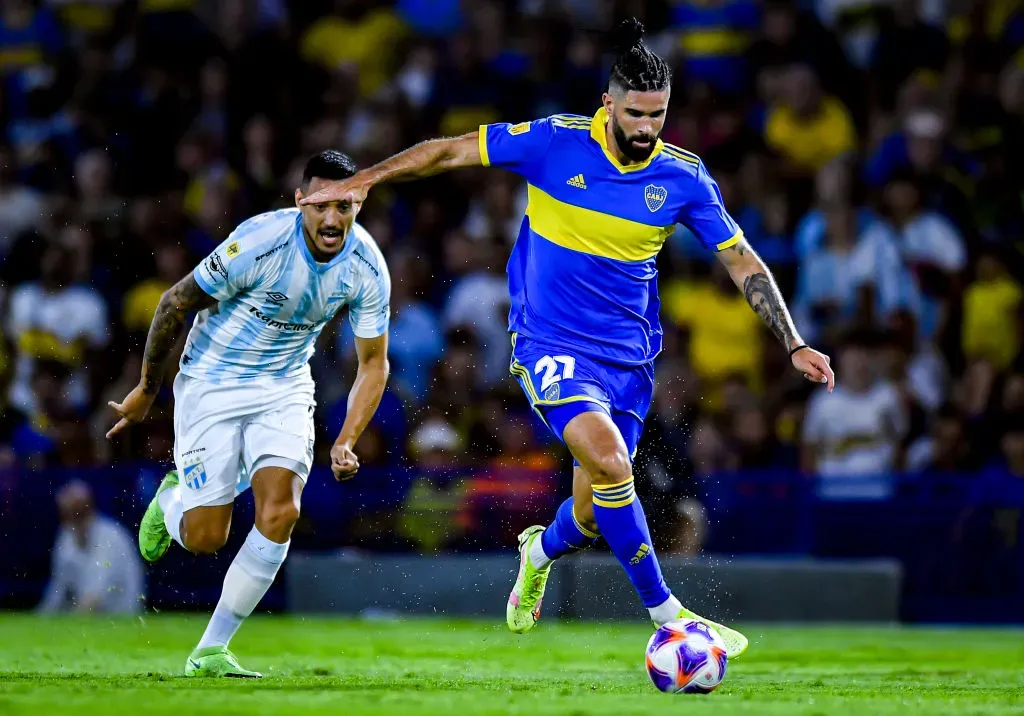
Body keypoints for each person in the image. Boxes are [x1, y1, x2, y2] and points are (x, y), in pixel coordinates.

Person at [300, 19, 834, 658]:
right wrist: (366, 180)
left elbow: (742, 262)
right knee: (612, 463)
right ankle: (673, 619)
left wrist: (794, 342)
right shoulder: (554, 142)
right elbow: (448, 151)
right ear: (607, 103)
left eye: (658, 116)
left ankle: (539, 550)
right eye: (635, 113)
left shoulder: (684, 179)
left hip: (629, 365)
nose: (645, 128)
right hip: (548, 344)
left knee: (589, 513)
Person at [106, 150, 391, 678]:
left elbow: (373, 364)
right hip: (212, 381)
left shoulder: (367, 265)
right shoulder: (258, 241)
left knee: (281, 512)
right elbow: (174, 302)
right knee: (205, 537)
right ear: (301, 201)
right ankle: (174, 499)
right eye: (323, 204)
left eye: (346, 205)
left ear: (360, 203)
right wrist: (147, 389)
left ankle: (211, 649)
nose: (333, 219)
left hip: (283, 387)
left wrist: (348, 437)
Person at [38, 480, 143, 615]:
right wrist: (42, 619)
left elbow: (96, 595)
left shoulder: (111, 535)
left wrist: (72, 622)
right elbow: (58, 588)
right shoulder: (66, 535)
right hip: (89, 616)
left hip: (121, 613)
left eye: (77, 510)